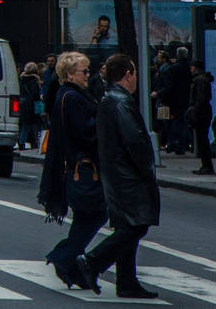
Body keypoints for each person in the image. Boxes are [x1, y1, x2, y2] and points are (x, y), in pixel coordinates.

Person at [75, 53, 161, 299]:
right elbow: (134, 141)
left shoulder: (109, 99)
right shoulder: (120, 102)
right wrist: (146, 169)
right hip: (128, 176)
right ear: (128, 75)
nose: (136, 79)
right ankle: (92, 261)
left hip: (115, 174)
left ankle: (126, 281)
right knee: (136, 225)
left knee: (128, 225)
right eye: (134, 73)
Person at [40, 52, 105, 288]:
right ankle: (64, 256)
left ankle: (70, 265)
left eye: (89, 71)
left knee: (85, 216)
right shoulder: (73, 98)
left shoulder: (67, 95)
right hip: (83, 167)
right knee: (97, 213)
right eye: (84, 71)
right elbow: (85, 134)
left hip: (76, 166)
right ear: (69, 74)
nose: (88, 75)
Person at [188, 60, 216, 174]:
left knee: (202, 140)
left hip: (201, 113)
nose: (190, 70)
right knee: (202, 139)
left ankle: (207, 165)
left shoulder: (200, 80)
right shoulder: (202, 79)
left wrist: (195, 110)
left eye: (191, 67)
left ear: (195, 68)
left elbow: (201, 98)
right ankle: (206, 165)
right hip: (203, 112)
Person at [19, 63, 44, 151]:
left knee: (24, 126)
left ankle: (21, 143)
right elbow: (35, 94)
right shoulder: (34, 80)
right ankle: (38, 142)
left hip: (22, 104)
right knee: (37, 125)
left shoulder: (21, 79)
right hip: (32, 105)